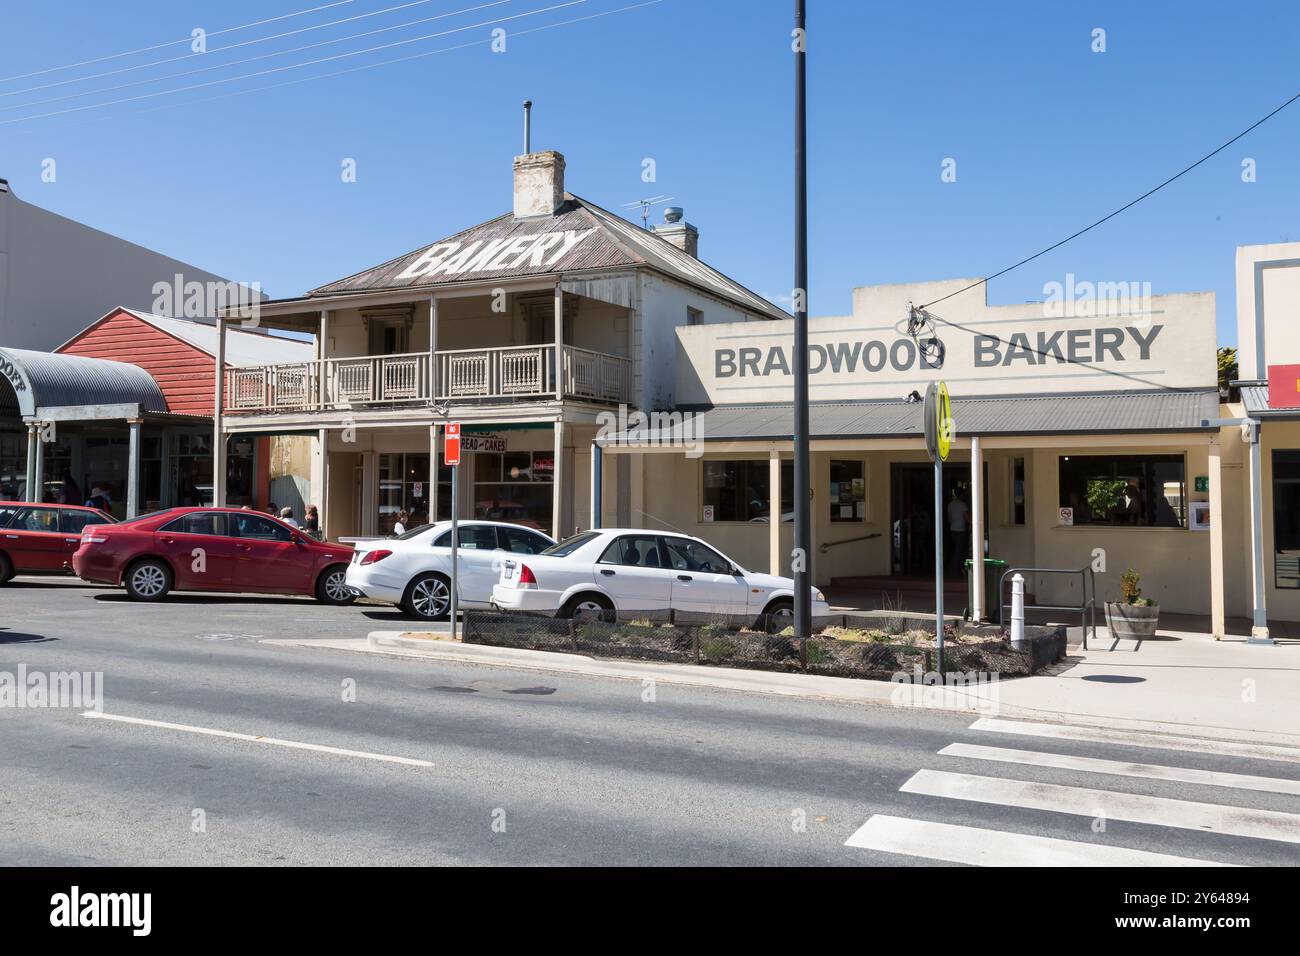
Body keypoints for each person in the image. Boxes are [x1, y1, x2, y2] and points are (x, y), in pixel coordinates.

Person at [947, 489, 970, 575]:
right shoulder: (963, 505)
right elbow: (966, 517)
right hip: (961, 530)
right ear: (962, 496)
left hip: (952, 529)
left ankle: (955, 568)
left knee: (956, 550)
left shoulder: (950, 504)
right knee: (959, 551)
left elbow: (949, 518)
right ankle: (954, 569)